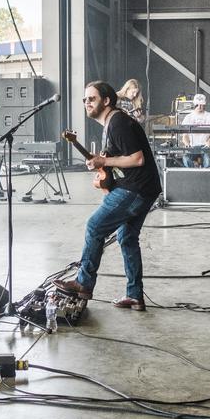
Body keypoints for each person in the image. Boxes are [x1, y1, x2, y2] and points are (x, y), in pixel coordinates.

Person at [54, 81, 162, 311]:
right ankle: (135, 296)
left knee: (95, 226)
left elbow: (137, 159)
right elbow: (118, 158)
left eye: (91, 98)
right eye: (84, 99)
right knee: (127, 238)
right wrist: (101, 163)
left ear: (106, 101)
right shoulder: (112, 123)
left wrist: (103, 161)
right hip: (144, 188)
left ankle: (83, 283)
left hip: (136, 188)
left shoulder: (118, 122)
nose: (86, 103)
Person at [181, 93, 210, 168]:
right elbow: (185, 136)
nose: (200, 107)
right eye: (198, 104)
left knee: (208, 160)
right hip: (192, 147)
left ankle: (205, 177)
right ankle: (193, 175)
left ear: (205, 105)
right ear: (194, 104)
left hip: (205, 147)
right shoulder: (188, 117)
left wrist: (209, 141)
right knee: (186, 159)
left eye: (202, 105)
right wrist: (187, 144)